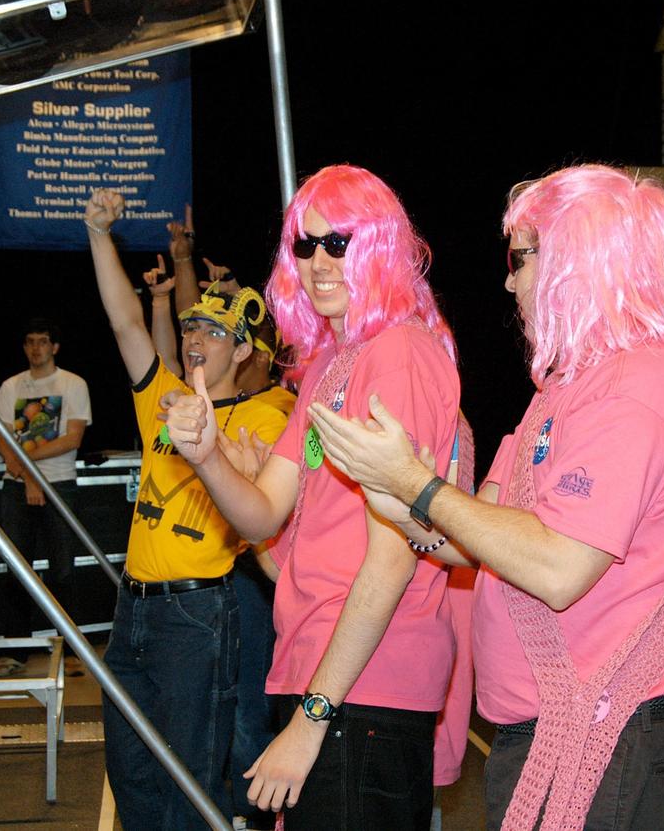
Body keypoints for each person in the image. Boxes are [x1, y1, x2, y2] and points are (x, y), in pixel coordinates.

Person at [306, 164, 664, 830]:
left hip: (606, 731)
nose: (508, 279)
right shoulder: (563, 393)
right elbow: (474, 533)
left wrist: (417, 484)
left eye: (520, 257)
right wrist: (393, 489)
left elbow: (558, 567)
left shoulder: (641, 384)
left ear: (580, 257)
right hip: (558, 730)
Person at [162, 164, 463, 831]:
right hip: (321, 667)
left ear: (381, 247)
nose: (319, 260)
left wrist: (312, 718)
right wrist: (208, 454)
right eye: (305, 243)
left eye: (339, 242)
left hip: (364, 686)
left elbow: (392, 558)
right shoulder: (333, 362)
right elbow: (265, 509)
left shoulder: (400, 354)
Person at [84, 189, 288, 830]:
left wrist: (218, 442)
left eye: (216, 331)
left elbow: (265, 497)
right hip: (133, 604)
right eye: (194, 325)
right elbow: (126, 326)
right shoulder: (164, 399)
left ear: (245, 351)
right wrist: (98, 234)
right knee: (131, 770)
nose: (197, 337)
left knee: (190, 773)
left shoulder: (269, 415)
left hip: (200, 612)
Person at [0, 318, 91, 678]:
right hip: (15, 485)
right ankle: (14, 650)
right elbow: (2, 437)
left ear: (55, 347)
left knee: (63, 569)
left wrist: (27, 463)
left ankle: (73, 651)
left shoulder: (72, 384)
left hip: (59, 483)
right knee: (17, 568)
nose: (36, 348)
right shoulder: (10, 386)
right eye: (30, 341)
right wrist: (25, 474)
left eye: (43, 341)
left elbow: (72, 439)